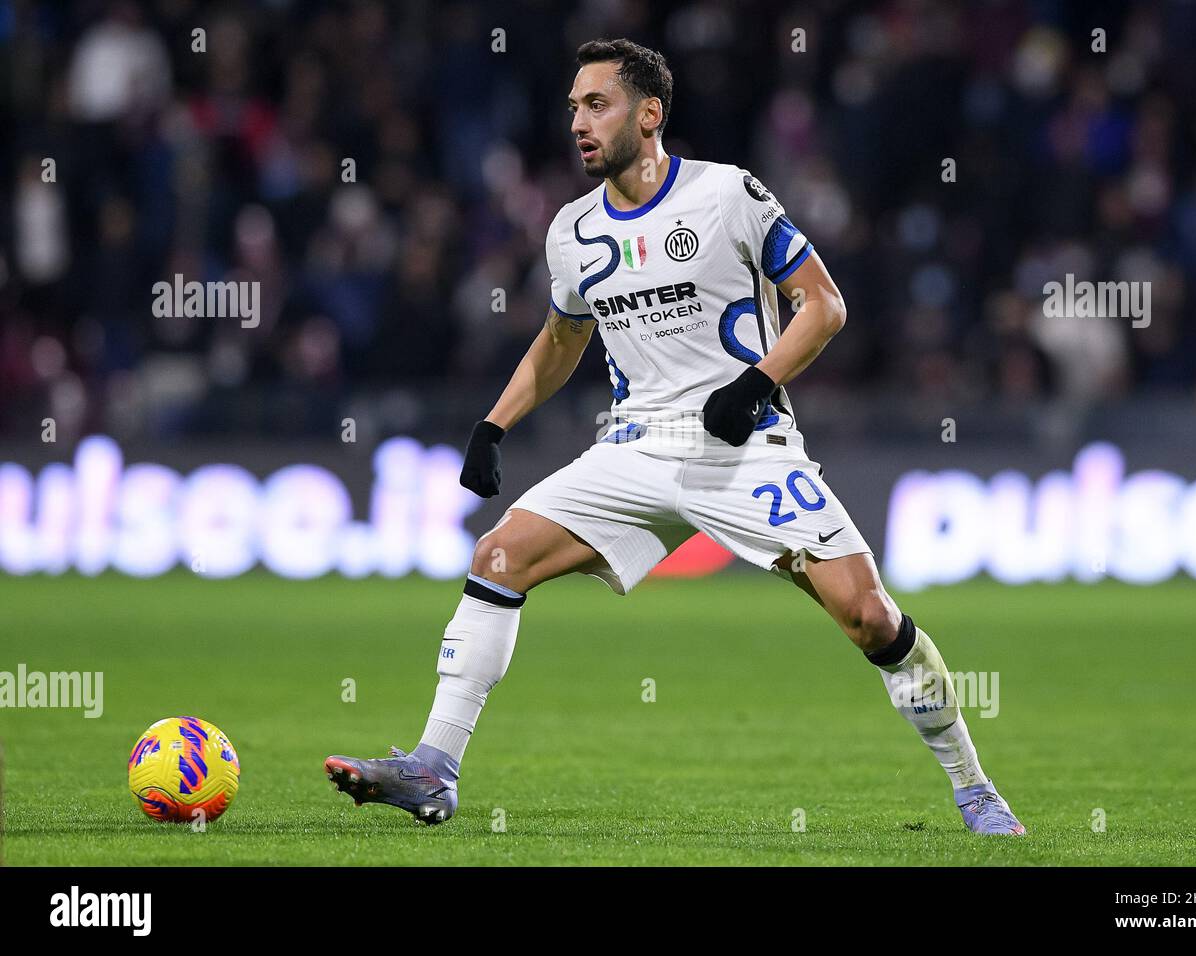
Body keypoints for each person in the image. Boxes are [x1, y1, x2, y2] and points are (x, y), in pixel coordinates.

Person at [325, 38, 1025, 836]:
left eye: (598, 105)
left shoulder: (727, 195)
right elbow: (561, 339)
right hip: (633, 447)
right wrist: (494, 424)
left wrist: (756, 384)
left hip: (745, 446)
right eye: (573, 109)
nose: (580, 124)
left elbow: (823, 305)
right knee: (497, 557)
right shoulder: (571, 230)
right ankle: (431, 768)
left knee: (868, 616)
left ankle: (975, 788)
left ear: (649, 113)